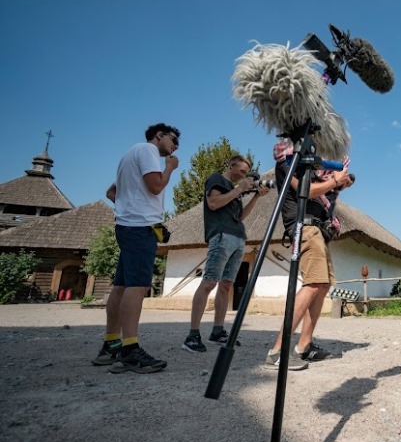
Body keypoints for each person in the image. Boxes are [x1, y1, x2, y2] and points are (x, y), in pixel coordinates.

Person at [92, 123, 180, 373]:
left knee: (120, 286)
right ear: (159, 135)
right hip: (141, 227)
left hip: (126, 225)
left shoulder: (131, 155)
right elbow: (155, 186)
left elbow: (111, 192)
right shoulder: (148, 151)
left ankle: (111, 345)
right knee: (138, 286)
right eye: (173, 140)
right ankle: (130, 350)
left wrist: (128, 205)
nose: (175, 147)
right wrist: (170, 168)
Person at [265, 137, 354, 371]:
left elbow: (324, 188)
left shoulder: (311, 170)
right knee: (313, 283)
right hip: (303, 227)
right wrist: (335, 179)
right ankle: (277, 351)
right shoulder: (288, 162)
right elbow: (307, 191)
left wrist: (337, 182)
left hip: (319, 230)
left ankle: (304, 346)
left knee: (322, 286)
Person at [181, 155, 269, 353]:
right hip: (221, 235)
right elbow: (213, 203)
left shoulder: (236, 191)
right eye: (242, 171)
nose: (244, 176)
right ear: (231, 165)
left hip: (238, 237)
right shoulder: (217, 179)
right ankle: (192, 335)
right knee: (209, 282)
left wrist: (255, 196)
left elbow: (240, 216)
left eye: (247, 173)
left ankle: (218, 331)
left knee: (226, 285)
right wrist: (239, 189)